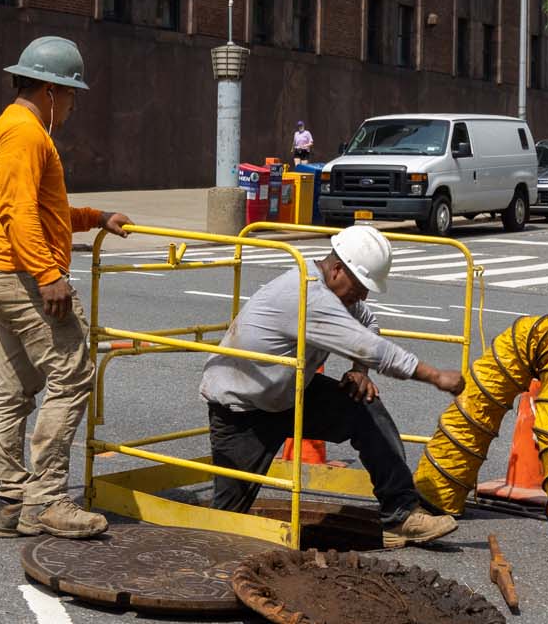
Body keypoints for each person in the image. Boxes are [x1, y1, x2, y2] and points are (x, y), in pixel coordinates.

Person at [200, 226, 466, 548]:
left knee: (362, 408)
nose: (363, 296)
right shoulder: (308, 294)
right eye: (360, 286)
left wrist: (359, 372)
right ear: (338, 269)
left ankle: (401, 513)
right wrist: (436, 376)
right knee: (226, 524)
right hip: (242, 412)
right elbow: (374, 347)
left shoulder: (338, 292)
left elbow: (367, 323)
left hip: (291, 395)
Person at [0, 35, 134, 540]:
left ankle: (9, 501)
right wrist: (49, 275)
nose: (72, 104)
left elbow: (44, 212)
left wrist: (96, 217)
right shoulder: (25, 133)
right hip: (22, 277)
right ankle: (45, 499)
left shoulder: (12, 128)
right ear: (48, 90)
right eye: (71, 94)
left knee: (14, 391)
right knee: (72, 374)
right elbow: (18, 212)